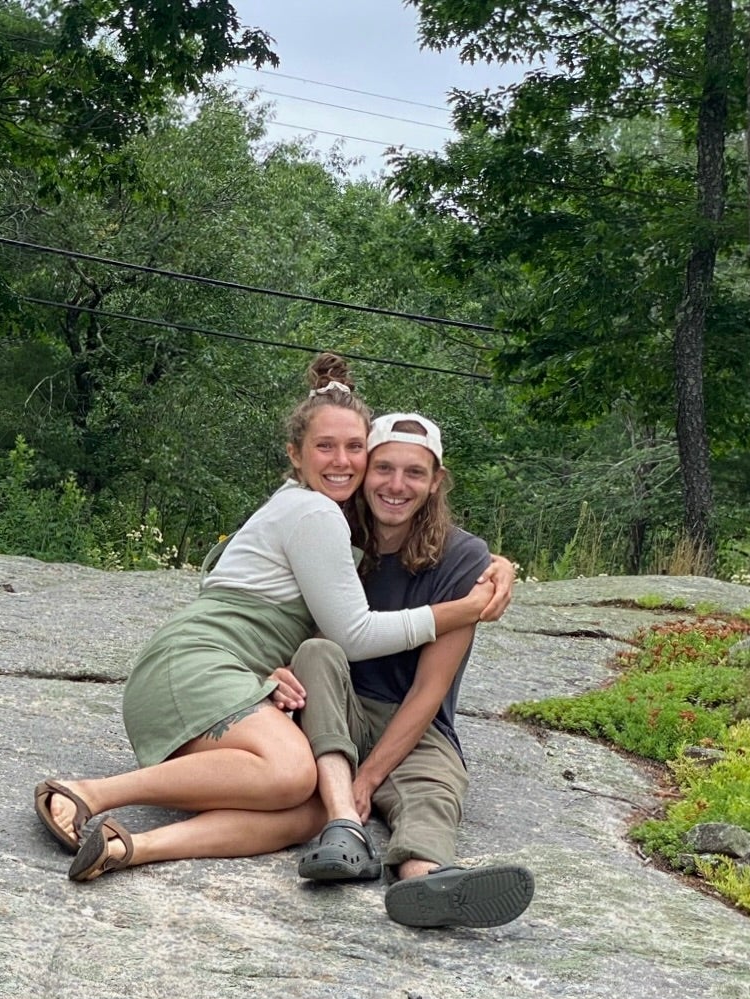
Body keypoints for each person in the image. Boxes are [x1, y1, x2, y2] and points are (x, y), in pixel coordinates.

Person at [35, 354, 512, 882]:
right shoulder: (317, 512)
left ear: (434, 480)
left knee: (311, 810)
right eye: (326, 447)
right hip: (195, 665)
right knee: (289, 771)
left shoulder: (325, 512)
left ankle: (130, 848)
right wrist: (465, 610)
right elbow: (350, 635)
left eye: (355, 447)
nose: (344, 461)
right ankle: (88, 792)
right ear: (295, 454)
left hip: (226, 675)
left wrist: (270, 671)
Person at [285, 412, 534, 929]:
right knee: (316, 652)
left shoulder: (464, 559)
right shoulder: (330, 531)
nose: (396, 486)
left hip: (415, 724)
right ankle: (344, 826)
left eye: (415, 473)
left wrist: (370, 776)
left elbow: (430, 689)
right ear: (364, 471)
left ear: (436, 481)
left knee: (434, 794)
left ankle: (426, 881)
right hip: (333, 709)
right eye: (383, 469)